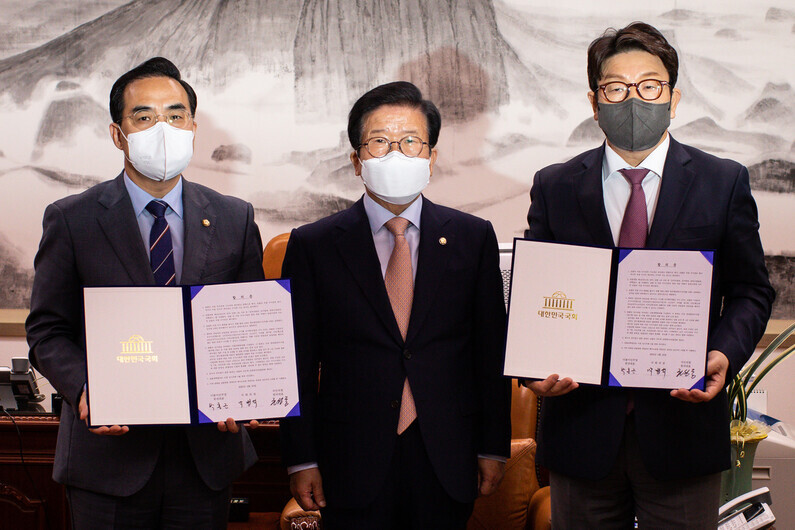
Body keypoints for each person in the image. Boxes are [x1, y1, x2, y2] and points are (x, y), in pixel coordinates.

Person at [524, 22, 775, 528]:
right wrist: (534, 364)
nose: (632, 99)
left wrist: (723, 353)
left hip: (684, 428)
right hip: (580, 429)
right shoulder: (554, 186)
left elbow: (750, 290)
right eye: (615, 88)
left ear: (673, 98)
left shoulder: (723, 182)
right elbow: (538, 293)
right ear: (595, 103)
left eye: (649, 86)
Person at [25, 57, 264, 529]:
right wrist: (83, 387)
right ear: (118, 134)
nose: (163, 128)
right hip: (108, 458)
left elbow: (252, 322)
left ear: (193, 128)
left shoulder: (235, 217)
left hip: (205, 457)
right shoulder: (73, 219)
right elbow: (47, 330)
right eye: (145, 117)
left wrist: (247, 386)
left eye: (175, 116)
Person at [280, 81, 511, 529]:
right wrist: (300, 458)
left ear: (432, 156)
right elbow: (298, 363)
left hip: (447, 451)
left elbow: (490, 354)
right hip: (349, 457)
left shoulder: (473, 237)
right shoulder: (314, 245)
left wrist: (492, 447)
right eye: (380, 143)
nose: (396, 154)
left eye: (410, 142)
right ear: (356, 160)